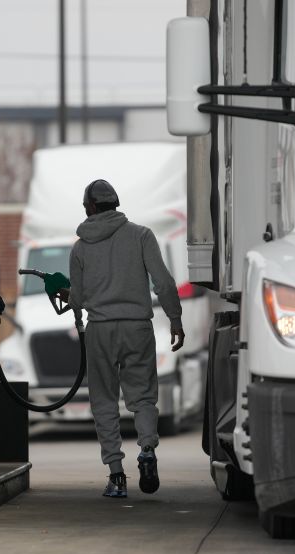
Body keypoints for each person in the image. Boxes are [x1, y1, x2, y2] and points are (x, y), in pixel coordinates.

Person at [61, 179, 185, 498]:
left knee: (104, 400)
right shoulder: (141, 236)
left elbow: (78, 298)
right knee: (142, 396)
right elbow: (164, 282)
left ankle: (116, 476)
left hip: (100, 329)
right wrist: (175, 318)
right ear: (115, 204)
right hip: (137, 327)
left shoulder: (80, 248)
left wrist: (66, 295)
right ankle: (146, 451)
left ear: (90, 207)